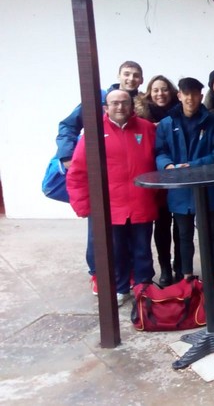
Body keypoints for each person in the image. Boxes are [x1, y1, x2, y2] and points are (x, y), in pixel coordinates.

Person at [56, 60, 144, 295]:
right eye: (127, 74)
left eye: (136, 75)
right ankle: (97, 273)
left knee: (131, 238)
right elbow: (67, 126)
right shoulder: (100, 98)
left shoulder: (143, 102)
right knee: (100, 236)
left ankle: (129, 276)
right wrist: (67, 155)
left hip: (132, 187)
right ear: (119, 75)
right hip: (104, 184)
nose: (131, 78)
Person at [66, 89, 159, 306]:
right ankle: (120, 288)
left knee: (142, 249)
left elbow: (158, 163)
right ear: (106, 107)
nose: (120, 107)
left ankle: (144, 287)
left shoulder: (147, 129)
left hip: (141, 203)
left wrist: (159, 198)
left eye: (124, 103)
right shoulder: (94, 133)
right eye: (114, 103)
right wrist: (82, 205)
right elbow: (78, 172)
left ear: (131, 105)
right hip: (110, 207)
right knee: (115, 251)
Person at [156, 77, 214, 298]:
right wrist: (167, 165)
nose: (190, 98)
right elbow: (160, 151)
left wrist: (192, 166)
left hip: (210, 189)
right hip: (179, 189)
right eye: (185, 93)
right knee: (183, 235)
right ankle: (186, 277)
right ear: (179, 95)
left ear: (201, 96)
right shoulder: (167, 123)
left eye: (194, 93)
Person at [135, 75, 182, 285]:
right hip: (157, 179)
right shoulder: (142, 116)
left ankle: (181, 266)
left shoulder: (181, 112)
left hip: (178, 175)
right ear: (149, 93)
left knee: (182, 226)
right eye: (156, 90)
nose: (160, 94)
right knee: (162, 226)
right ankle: (165, 268)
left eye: (164, 89)